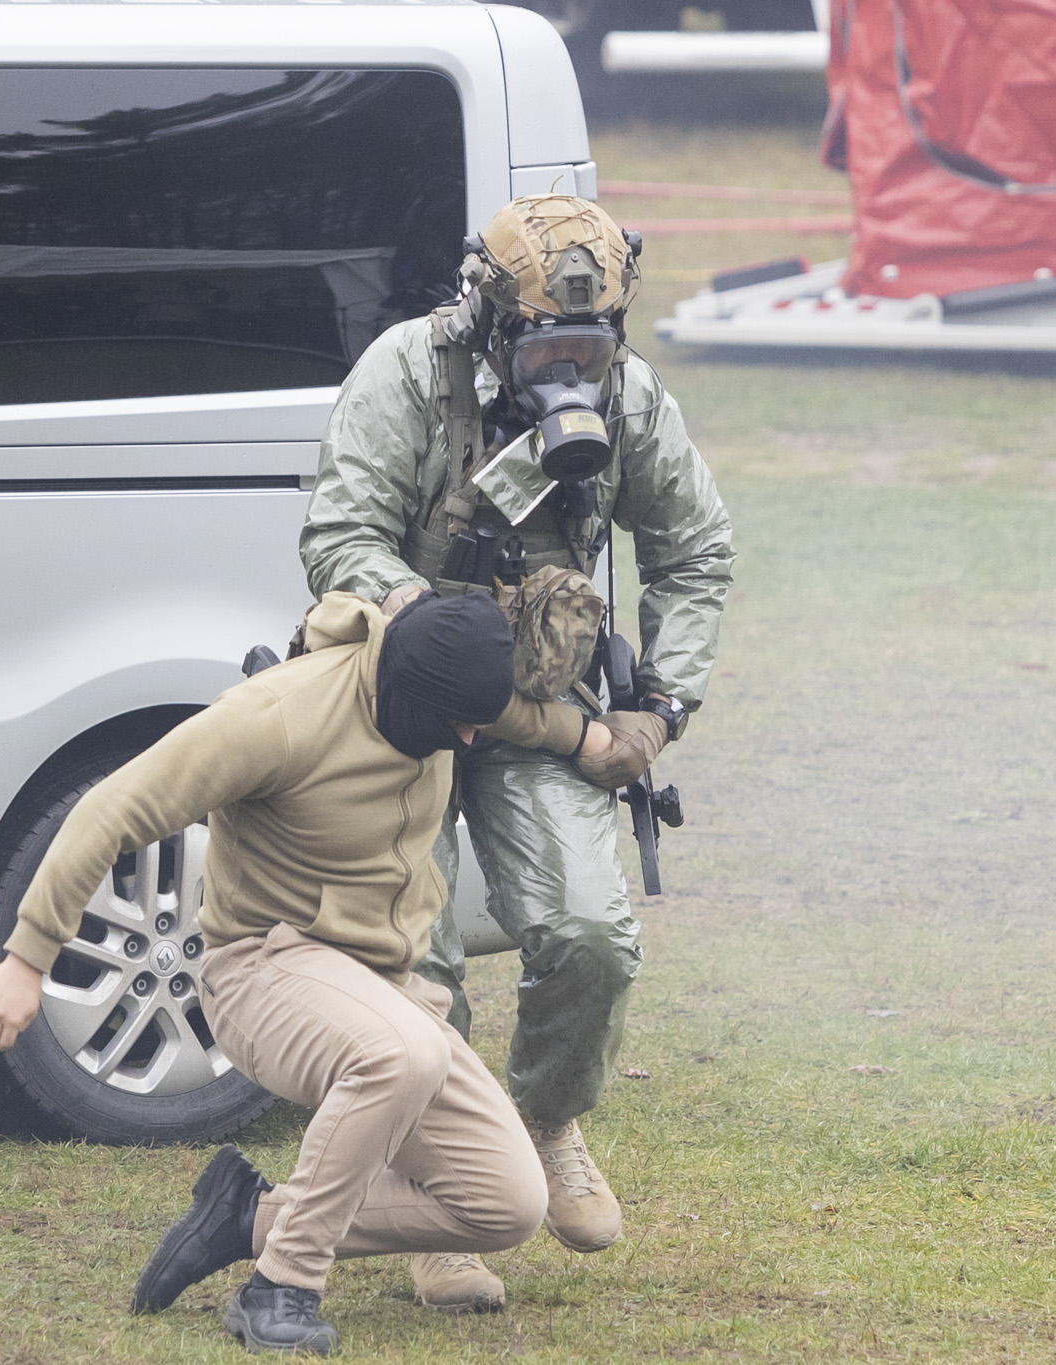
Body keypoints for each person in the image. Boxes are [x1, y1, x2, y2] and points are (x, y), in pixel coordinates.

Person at [0, 589, 601, 1355]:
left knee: (507, 1201)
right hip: (262, 967)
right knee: (403, 1053)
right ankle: (281, 1285)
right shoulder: (279, 716)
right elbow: (114, 806)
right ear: (407, 691)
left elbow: (515, 718)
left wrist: (595, 738)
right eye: (457, 723)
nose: (467, 738)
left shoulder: (439, 695)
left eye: (477, 720)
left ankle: (247, 1217)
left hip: (382, 989)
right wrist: (27, 957)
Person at [298, 194, 736, 1285]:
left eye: (588, 350)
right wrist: (426, 625)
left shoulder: (627, 398)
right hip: (398, 701)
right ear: (491, 321)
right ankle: (436, 1193)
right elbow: (339, 534)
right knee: (416, 956)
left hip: (545, 705)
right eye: (545, 351)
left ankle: (544, 1117)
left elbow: (693, 548)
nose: (568, 370)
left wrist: (659, 707)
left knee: (592, 936)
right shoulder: (407, 373)